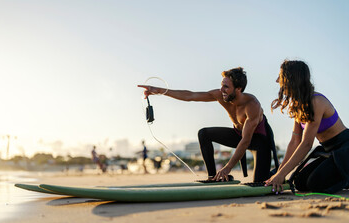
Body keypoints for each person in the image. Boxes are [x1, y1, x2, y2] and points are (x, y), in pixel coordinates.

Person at [138, 67, 278, 182]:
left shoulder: (252, 105)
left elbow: (246, 141)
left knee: (261, 184)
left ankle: (275, 173)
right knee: (204, 133)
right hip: (238, 134)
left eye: (226, 87)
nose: (221, 90)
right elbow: (190, 96)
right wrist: (160, 91)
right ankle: (213, 177)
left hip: (260, 142)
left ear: (239, 89)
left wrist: (227, 167)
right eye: (221, 85)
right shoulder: (221, 95)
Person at [265, 60, 349, 194]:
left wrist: (281, 175)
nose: (277, 81)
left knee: (315, 184)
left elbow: (306, 144)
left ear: (291, 79)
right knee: (300, 182)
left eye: (280, 77)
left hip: (345, 149)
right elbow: (294, 142)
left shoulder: (316, 102)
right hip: (330, 152)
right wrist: (280, 172)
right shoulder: (298, 105)